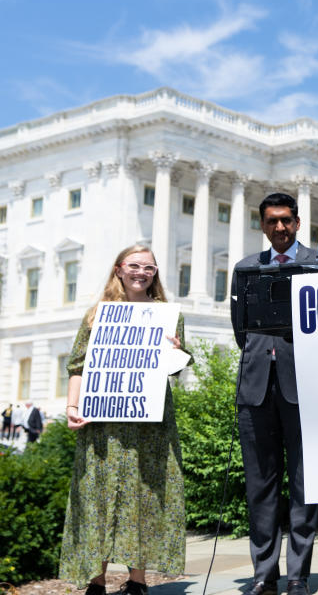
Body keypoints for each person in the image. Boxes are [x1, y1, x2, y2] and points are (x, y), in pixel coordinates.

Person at [60, 244, 188, 595]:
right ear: (119, 269)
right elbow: (77, 367)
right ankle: (96, 582)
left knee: (145, 497)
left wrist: (176, 353)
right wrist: (73, 407)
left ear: (155, 272)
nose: (141, 272)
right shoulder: (97, 314)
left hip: (150, 424)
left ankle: (137, 582)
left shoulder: (168, 315)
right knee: (97, 497)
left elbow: (174, 372)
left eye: (149, 267)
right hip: (103, 424)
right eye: (134, 265)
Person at [230, 192, 318, 595]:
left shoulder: (317, 264)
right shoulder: (246, 268)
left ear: (297, 223)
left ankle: (298, 574)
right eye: (271, 221)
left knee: (304, 485)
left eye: (286, 220)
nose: (279, 228)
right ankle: (264, 575)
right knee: (260, 487)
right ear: (262, 225)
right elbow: (240, 328)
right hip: (255, 390)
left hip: (304, 388)